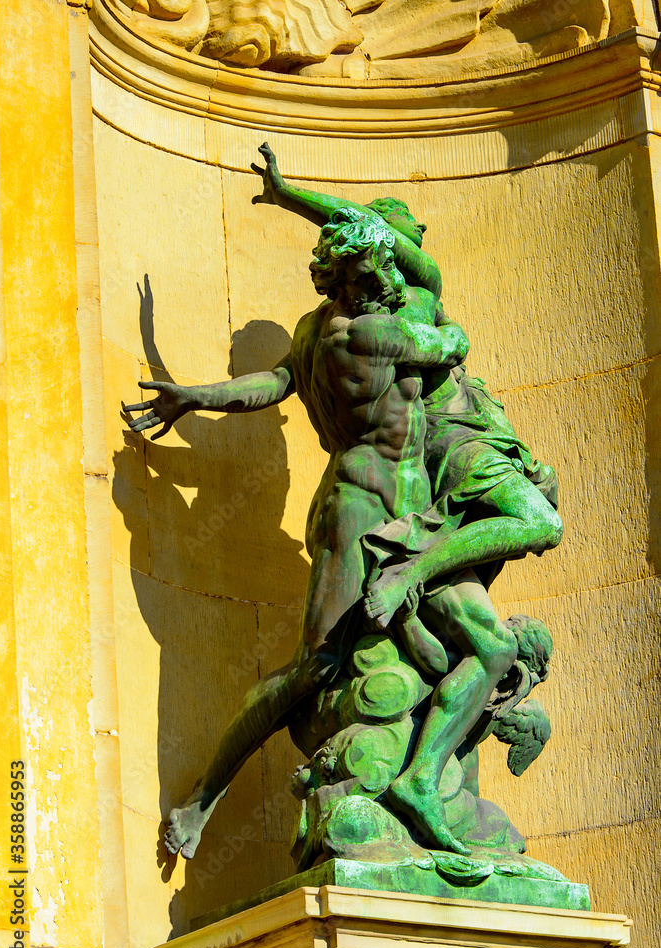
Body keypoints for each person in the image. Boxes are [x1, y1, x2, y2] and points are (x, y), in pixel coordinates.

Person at [123, 210, 469, 858]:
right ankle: (203, 800)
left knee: (429, 645)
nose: (385, 275)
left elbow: (271, 384)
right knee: (319, 664)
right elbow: (453, 342)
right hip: (364, 510)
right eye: (372, 268)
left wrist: (194, 394)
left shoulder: (316, 332)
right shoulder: (374, 333)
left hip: (395, 510)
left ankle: (411, 785)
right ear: (345, 276)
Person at [249, 143, 563, 630]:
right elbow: (362, 228)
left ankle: (417, 572)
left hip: (457, 438)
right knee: (542, 522)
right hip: (453, 439)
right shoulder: (404, 303)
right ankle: (411, 571)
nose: (416, 237)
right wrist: (289, 196)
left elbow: (276, 380)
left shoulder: (392, 308)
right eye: (405, 231)